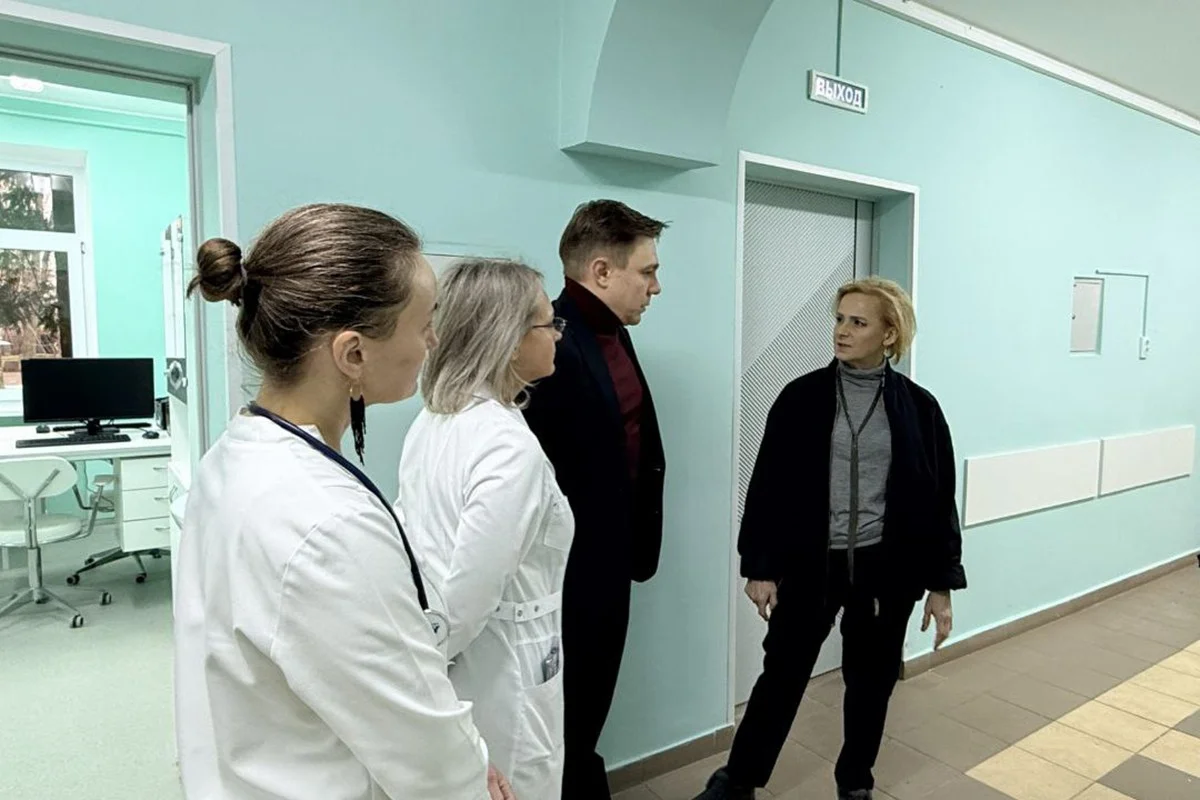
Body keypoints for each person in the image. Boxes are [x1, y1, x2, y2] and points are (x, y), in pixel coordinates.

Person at [173, 204, 513, 800]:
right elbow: (425, 754)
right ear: (353, 353)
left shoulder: (232, 457)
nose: (433, 341)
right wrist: (469, 769)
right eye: (425, 323)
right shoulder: (326, 523)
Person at [696, 277, 967, 800]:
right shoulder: (802, 398)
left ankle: (855, 782)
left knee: (871, 682)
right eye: (840, 319)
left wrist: (941, 584)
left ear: (890, 334)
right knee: (782, 674)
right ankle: (739, 779)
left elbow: (938, 500)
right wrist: (760, 566)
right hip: (809, 565)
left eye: (858, 322)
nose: (842, 331)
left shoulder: (919, 408)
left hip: (885, 570)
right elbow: (768, 486)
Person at [397, 258, 573, 799]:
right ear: (510, 340)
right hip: (502, 667)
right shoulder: (507, 447)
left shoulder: (436, 418)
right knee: (521, 781)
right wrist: (424, 678)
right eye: (548, 322)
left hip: (458, 653)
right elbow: (471, 593)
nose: (558, 333)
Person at [523, 199, 668, 799]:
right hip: (568, 576)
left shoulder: (613, 332)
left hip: (613, 560)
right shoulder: (547, 345)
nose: (656, 287)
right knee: (567, 716)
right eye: (647, 271)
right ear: (602, 271)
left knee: (588, 709)